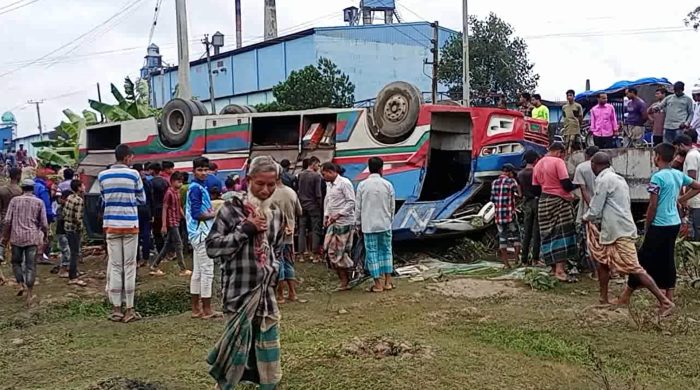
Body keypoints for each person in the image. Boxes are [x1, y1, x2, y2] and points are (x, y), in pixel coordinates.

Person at [206, 156, 284, 389]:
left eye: (271, 184)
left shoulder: (276, 213)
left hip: (265, 294)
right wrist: (245, 230)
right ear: (248, 180)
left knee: (269, 351)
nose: (265, 190)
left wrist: (274, 272)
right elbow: (212, 247)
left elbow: (276, 249)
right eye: (260, 184)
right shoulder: (231, 210)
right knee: (234, 352)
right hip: (239, 293)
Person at [583, 152, 675, 315]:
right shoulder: (618, 178)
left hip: (618, 231)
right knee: (602, 261)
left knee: (635, 268)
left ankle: (665, 302)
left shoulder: (604, 180)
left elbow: (595, 209)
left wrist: (586, 218)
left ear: (593, 165)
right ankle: (603, 298)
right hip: (614, 229)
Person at [615, 143, 700, 306]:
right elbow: (697, 187)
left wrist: (647, 225)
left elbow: (653, 206)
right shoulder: (677, 174)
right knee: (667, 258)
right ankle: (668, 296)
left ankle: (627, 295)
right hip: (674, 223)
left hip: (659, 224)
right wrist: (680, 200)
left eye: (654, 155)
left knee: (641, 260)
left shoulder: (657, 177)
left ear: (658, 157)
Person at [98, 144, 146, 323]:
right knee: (129, 267)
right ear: (127, 158)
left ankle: (116, 308)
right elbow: (142, 199)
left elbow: (103, 198)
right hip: (130, 225)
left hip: (111, 225)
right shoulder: (133, 175)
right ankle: (130, 309)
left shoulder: (103, 176)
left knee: (116, 267)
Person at [533, 142, 578, 281]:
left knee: (547, 234)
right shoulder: (558, 162)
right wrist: (578, 184)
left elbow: (535, 188)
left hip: (544, 202)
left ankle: (553, 268)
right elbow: (566, 184)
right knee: (562, 234)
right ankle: (560, 270)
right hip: (559, 202)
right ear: (560, 152)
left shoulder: (538, 164)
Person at [3, 179, 48, 305]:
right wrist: (45, 235)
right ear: (32, 189)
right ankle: (29, 294)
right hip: (32, 238)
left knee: (16, 262)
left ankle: (20, 284)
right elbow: (44, 223)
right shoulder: (39, 202)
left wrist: (4, 237)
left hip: (16, 237)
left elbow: (7, 220)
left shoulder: (14, 201)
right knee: (31, 266)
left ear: (22, 188)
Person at [356, 157, 396, 292]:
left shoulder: (362, 185)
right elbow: (392, 207)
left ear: (369, 168)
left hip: (369, 225)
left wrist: (358, 223)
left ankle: (378, 284)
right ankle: (388, 281)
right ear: (381, 168)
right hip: (385, 224)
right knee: (386, 251)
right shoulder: (388, 185)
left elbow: (358, 207)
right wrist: (389, 220)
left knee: (372, 253)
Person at [187, 157, 218, 319]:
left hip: (197, 234)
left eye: (206, 170)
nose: (204, 173)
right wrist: (215, 214)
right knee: (207, 271)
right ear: (194, 171)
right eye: (200, 170)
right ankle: (206, 309)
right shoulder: (196, 189)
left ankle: (195, 309)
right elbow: (197, 214)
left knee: (198, 271)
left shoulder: (199, 187)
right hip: (202, 234)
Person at [321, 162, 356, 290]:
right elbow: (328, 201)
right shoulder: (329, 185)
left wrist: (339, 214)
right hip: (332, 222)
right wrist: (326, 216)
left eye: (324, 174)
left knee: (339, 252)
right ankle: (346, 277)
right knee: (329, 250)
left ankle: (346, 280)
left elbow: (351, 202)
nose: (323, 177)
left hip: (344, 222)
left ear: (331, 172)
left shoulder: (344, 183)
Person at [270, 164, 302, 303]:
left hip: (275, 234)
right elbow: (299, 211)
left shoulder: (269, 193)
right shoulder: (291, 192)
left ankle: (280, 295)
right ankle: (293, 293)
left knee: (279, 262)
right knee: (289, 262)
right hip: (289, 233)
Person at [150, 171, 190, 277]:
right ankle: (182, 268)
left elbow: (179, 206)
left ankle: (154, 266)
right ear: (172, 182)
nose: (180, 184)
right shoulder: (169, 193)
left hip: (176, 220)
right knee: (178, 244)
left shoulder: (177, 192)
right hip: (171, 222)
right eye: (178, 181)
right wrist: (164, 225)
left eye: (181, 182)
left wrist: (185, 217)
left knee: (167, 246)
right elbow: (165, 208)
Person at [573, 146, 600, 274]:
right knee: (602, 238)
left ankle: (593, 270)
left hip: (588, 208)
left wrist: (591, 206)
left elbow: (583, 190)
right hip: (603, 207)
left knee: (588, 238)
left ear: (587, 155)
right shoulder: (607, 167)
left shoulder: (581, 167)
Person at [490, 163, 520, 269]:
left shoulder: (494, 183)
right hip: (510, 214)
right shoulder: (511, 181)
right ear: (510, 172)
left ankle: (506, 264)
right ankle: (516, 260)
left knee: (503, 238)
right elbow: (519, 194)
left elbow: (493, 200)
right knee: (516, 236)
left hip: (499, 215)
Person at [297, 156, 324, 262]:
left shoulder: (301, 174)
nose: (318, 167)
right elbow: (318, 193)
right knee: (315, 230)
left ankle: (301, 255)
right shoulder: (316, 176)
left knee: (302, 230)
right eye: (318, 164)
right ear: (313, 164)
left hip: (302, 205)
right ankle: (314, 254)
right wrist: (320, 205)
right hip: (313, 206)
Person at [674, 134, 700, 241]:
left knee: (696, 234)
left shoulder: (691, 156)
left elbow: (691, 179)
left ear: (681, 145)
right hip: (695, 199)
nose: (677, 152)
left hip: (696, 201)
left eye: (677, 149)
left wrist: (684, 199)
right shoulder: (695, 153)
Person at [518, 150, 541, 266]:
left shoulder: (520, 174)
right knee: (537, 231)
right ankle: (535, 259)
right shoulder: (537, 172)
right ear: (536, 160)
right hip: (537, 201)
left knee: (526, 231)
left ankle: (524, 259)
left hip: (526, 202)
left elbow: (520, 193)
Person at [63, 179, 87, 287]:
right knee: (74, 252)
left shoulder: (69, 197)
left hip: (67, 227)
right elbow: (78, 218)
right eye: (83, 185)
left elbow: (65, 212)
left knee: (73, 251)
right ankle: (73, 277)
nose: (84, 187)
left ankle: (75, 271)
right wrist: (81, 228)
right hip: (74, 229)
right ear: (79, 188)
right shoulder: (79, 200)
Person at [133, 163, 154, 266]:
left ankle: (136, 259)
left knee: (135, 235)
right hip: (146, 211)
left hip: (135, 211)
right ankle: (145, 258)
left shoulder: (132, 182)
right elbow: (151, 198)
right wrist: (152, 213)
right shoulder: (147, 182)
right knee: (146, 235)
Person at [0, 168, 22, 263]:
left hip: (4, 217)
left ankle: (1, 254)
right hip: (17, 218)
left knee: (2, 238)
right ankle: (15, 257)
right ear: (18, 176)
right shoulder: (20, 191)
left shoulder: (2, 189)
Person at [33, 167, 55, 265]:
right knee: (43, 235)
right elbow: (46, 204)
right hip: (41, 215)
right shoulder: (42, 188)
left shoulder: (33, 185)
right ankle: (40, 256)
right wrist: (50, 216)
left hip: (31, 215)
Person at [150, 162, 169, 254]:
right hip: (166, 209)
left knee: (157, 232)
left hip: (156, 211)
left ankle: (160, 251)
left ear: (152, 171)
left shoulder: (151, 183)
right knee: (168, 231)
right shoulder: (165, 182)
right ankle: (169, 251)